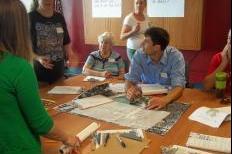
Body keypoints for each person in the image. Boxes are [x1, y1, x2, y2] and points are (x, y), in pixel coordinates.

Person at [0, 0, 80, 153]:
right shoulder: (18, 68)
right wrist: (67, 138)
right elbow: (40, 123)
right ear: (20, 27)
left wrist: (70, 55)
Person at [125, 27, 186, 110]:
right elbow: (130, 79)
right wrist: (130, 91)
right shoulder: (139, 54)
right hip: (145, 96)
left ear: (156, 47)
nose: (141, 44)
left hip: (169, 97)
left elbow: (179, 86)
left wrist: (164, 100)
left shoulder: (175, 56)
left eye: (146, 41)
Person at [29, 0, 74, 84]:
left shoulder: (59, 17)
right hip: (39, 75)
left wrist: (70, 54)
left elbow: (66, 41)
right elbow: (24, 48)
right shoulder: (30, 17)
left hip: (59, 73)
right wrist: (38, 58)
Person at [203, 30, 231, 96]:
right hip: (223, 99)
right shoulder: (218, 57)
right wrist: (224, 63)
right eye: (230, 38)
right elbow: (207, 86)